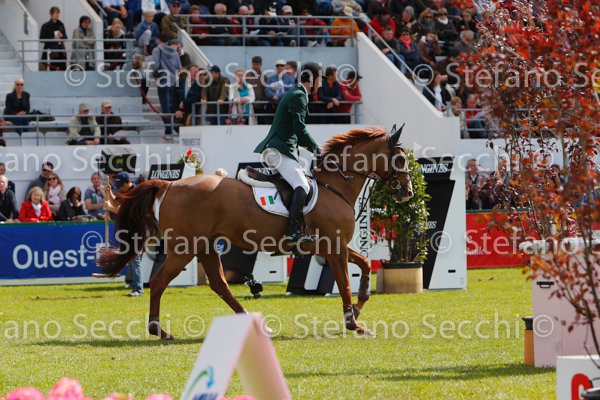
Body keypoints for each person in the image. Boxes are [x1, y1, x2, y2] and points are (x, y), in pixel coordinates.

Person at [254, 62, 322, 249]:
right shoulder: (299, 95)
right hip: (279, 150)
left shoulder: (296, 94)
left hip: (282, 149)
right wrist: (316, 149)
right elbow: (300, 128)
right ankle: (292, 233)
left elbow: (295, 131)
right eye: (319, 79)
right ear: (311, 79)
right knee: (303, 185)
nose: (321, 84)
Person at [104, 172, 143, 296]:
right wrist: (110, 192)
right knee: (130, 258)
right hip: (128, 229)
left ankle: (138, 289)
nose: (120, 188)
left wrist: (110, 208)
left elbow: (123, 211)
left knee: (134, 259)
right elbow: (116, 202)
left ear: (129, 182)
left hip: (136, 229)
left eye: (121, 185)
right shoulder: (126, 191)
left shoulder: (136, 193)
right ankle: (133, 284)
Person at [151, 34, 181, 136]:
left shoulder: (157, 50)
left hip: (163, 80)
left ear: (159, 40)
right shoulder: (175, 52)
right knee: (171, 106)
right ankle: (172, 128)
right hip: (173, 81)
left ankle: (168, 131)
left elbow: (155, 65)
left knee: (165, 107)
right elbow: (179, 67)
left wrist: (155, 72)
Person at [39, 6, 68, 71]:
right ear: (51, 14)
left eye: (58, 13)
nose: (58, 15)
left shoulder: (61, 24)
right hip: (51, 51)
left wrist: (61, 36)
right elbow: (41, 39)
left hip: (61, 50)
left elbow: (65, 37)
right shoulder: (45, 25)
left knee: (62, 70)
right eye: (56, 13)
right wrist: (52, 38)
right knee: (52, 70)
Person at [246, 56, 268, 123]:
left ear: (261, 65)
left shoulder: (264, 77)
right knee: (249, 123)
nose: (255, 66)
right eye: (254, 64)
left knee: (261, 123)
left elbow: (266, 90)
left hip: (261, 104)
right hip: (249, 104)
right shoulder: (247, 76)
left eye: (257, 64)